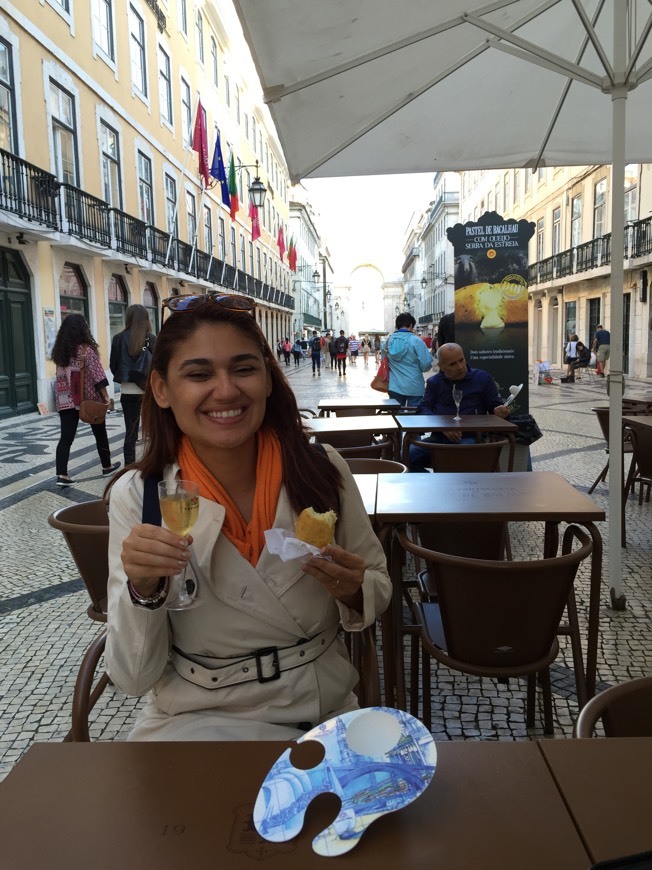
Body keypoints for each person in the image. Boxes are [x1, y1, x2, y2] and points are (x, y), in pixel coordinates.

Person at [104, 296, 391, 741]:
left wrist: (354, 590)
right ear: (161, 389)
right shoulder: (140, 498)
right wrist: (143, 591)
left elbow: (378, 585)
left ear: (268, 379)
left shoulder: (322, 471)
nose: (225, 391)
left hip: (318, 712)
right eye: (199, 374)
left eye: (243, 369)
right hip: (192, 719)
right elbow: (132, 677)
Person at [409, 342, 510, 472]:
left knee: (455, 457)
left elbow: (494, 406)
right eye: (452, 364)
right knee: (405, 456)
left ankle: (447, 484)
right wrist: (441, 425)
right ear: (441, 366)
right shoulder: (434, 383)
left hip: (473, 438)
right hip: (438, 438)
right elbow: (423, 409)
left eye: (461, 360)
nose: (460, 367)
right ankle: (435, 485)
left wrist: (500, 412)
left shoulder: (482, 378)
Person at [52, 313, 120, 486]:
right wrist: (106, 397)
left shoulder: (60, 352)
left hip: (65, 399)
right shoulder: (86, 350)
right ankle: (107, 466)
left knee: (66, 437)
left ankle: (62, 474)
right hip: (88, 399)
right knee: (100, 433)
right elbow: (98, 376)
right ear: (83, 329)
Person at [110, 304, 156, 465]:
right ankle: (154, 463)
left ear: (128, 318)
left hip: (128, 391)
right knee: (155, 431)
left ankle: (129, 466)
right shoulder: (151, 339)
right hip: (149, 391)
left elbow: (113, 366)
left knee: (131, 433)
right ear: (145, 319)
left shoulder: (118, 338)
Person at [385, 312, 433, 406]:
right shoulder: (416, 341)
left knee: (396, 415)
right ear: (411, 325)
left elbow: (385, 362)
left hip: (394, 386)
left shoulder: (388, 341)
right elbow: (426, 365)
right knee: (414, 417)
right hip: (414, 385)